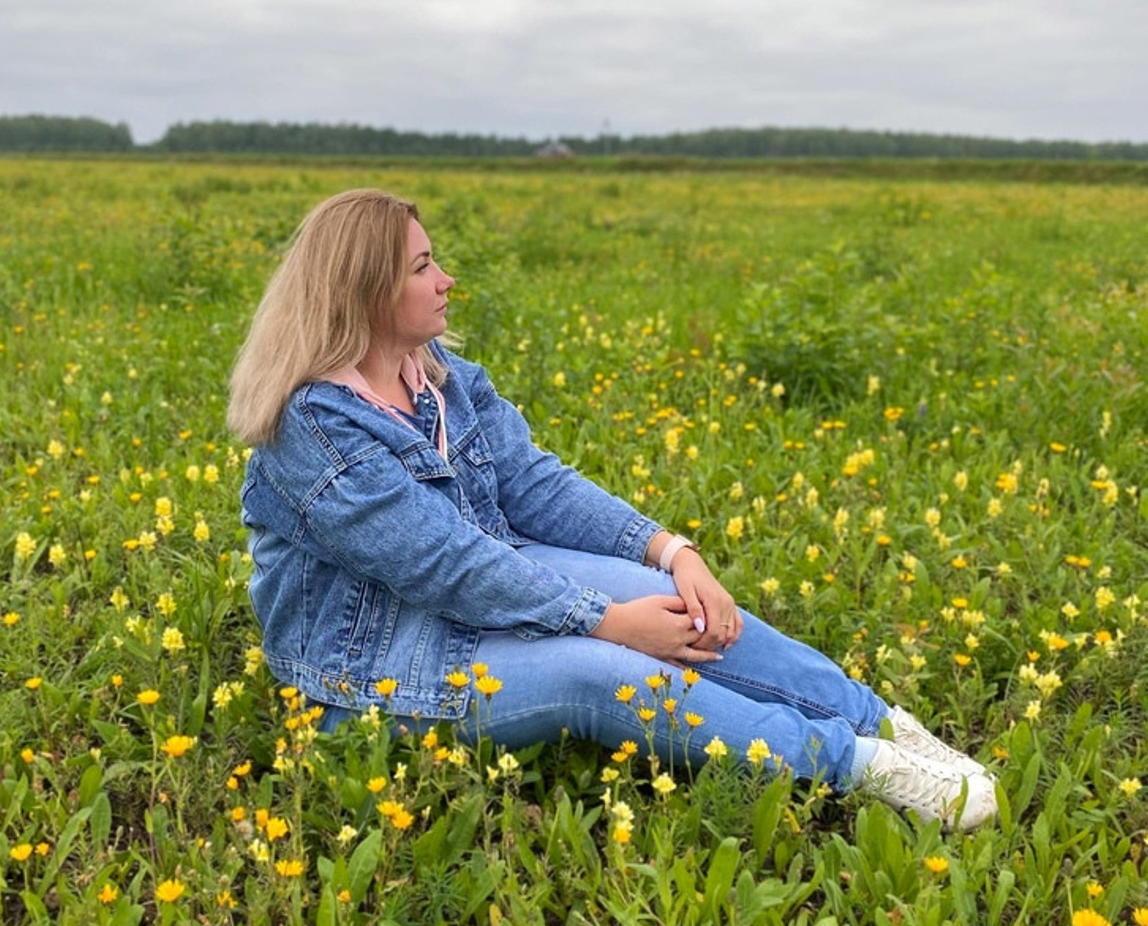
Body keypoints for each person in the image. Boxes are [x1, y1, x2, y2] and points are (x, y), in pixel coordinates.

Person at [227, 189, 996, 831]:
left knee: (672, 607)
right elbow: (442, 564)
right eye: (424, 267)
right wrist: (606, 622)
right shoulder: (316, 428)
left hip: (490, 594)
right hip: (375, 673)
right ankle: (857, 765)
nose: (447, 280)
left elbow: (531, 483)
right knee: (608, 675)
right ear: (365, 290)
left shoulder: (439, 376)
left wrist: (671, 551)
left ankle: (878, 722)